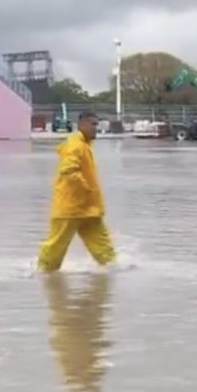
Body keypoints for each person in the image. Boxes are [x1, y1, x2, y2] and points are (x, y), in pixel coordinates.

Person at [37, 111, 117, 273]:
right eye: (93, 124)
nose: (96, 128)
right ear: (82, 125)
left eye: (97, 124)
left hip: (89, 209)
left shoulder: (85, 145)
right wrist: (86, 190)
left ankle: (114, 277)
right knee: (55, 248)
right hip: (70, 208)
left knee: (105, 250)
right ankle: (41, 275)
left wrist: (88, 195)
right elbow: (68, 171)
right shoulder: (75, 145)